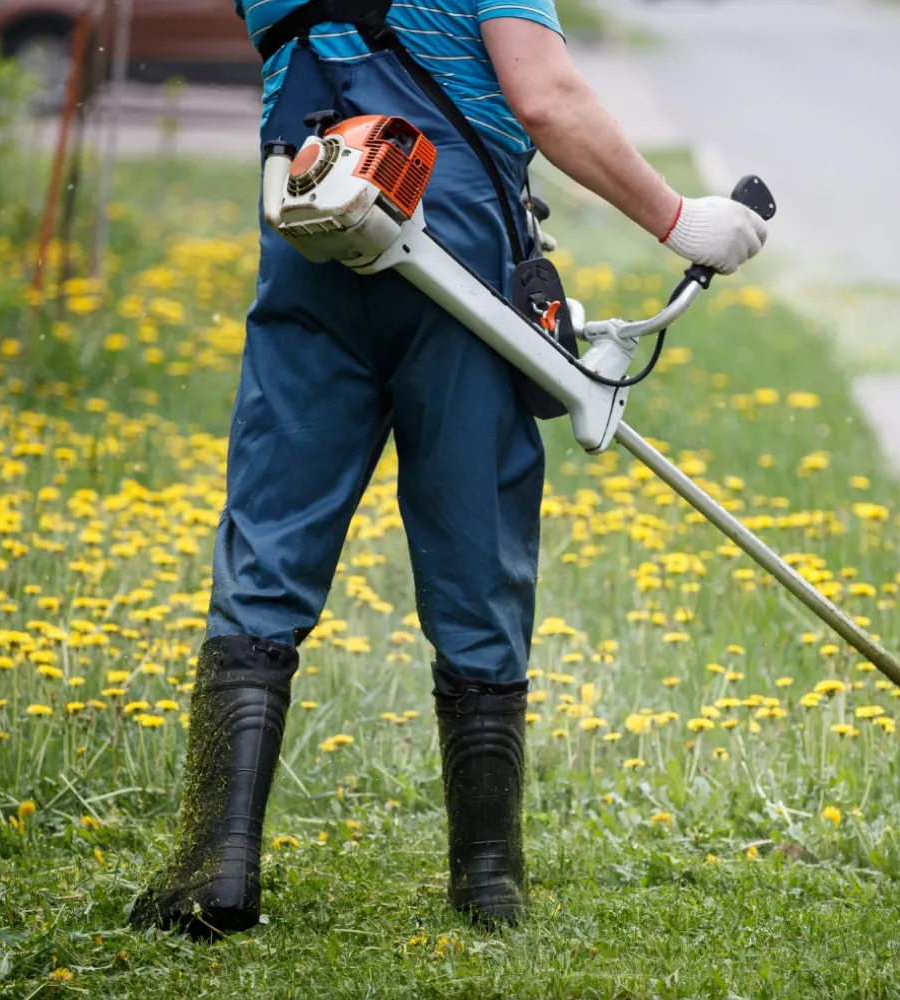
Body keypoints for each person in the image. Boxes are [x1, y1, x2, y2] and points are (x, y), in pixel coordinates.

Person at [129, 0, 768, 938]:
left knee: (272, 524)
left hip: (314, 208)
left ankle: (213, 869)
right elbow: (543, 96)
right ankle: (487, 877)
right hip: (452, 226)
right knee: (476, 529)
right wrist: (681, 222)